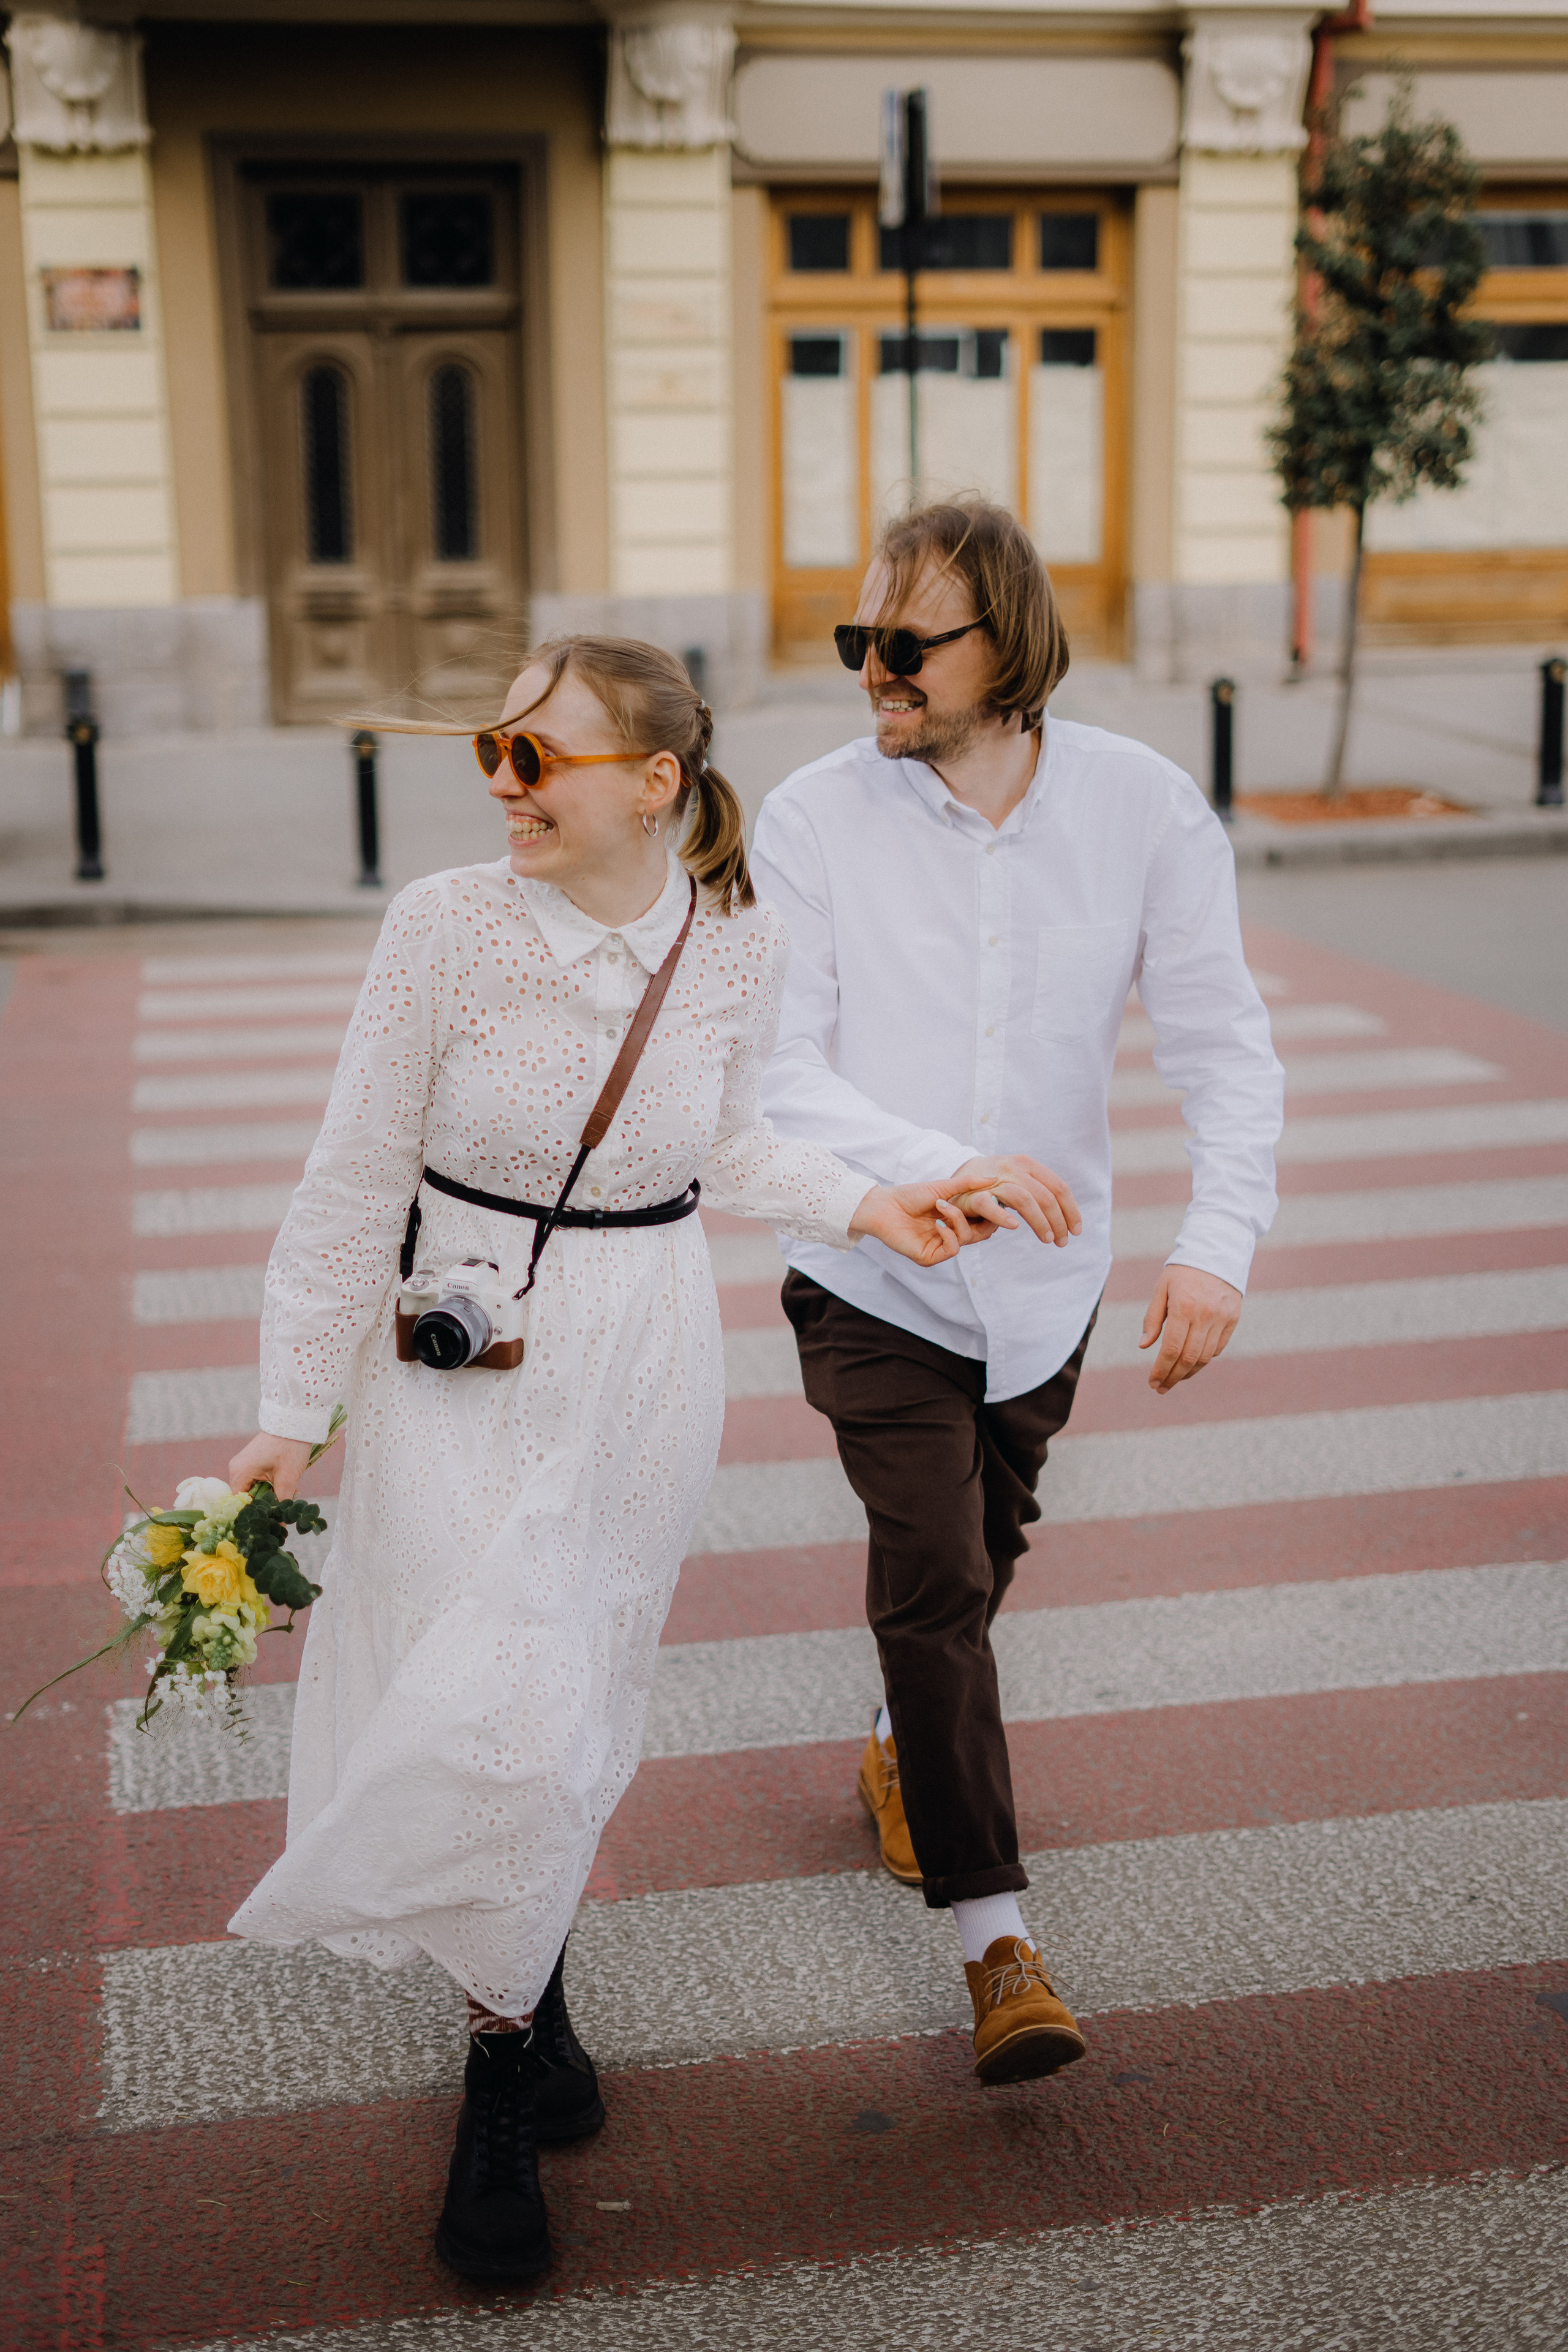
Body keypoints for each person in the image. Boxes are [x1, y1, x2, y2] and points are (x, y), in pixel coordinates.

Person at [224, 636, 1027, 2283]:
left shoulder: (736, 942)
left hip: (641, 1352)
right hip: (460, 1351)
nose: (506, 786)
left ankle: (525, 1999)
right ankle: (505, 2071)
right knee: (490, 1709)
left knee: (565, 1698)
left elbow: (719, 1138)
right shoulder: (440, 929)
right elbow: (352, 1170)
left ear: (654, 783)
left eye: (540, 759)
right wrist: (288, 1415)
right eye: (494, 758)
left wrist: (866, 1202)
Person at [750, 498, 1285, 2089]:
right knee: (930, 1577)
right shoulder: (810, 819)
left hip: (1045, 1288)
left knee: (977, 1570)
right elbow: (778, 1073)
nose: (875, 674)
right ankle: (1000, 1946)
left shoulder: (1143, 809)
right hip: (869, 1266)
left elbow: (1219, 1040)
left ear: (1010, 645)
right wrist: (938, 1167)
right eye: (861, 643)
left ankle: (905, 1747)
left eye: (908, 647)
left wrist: (1216, 1244)